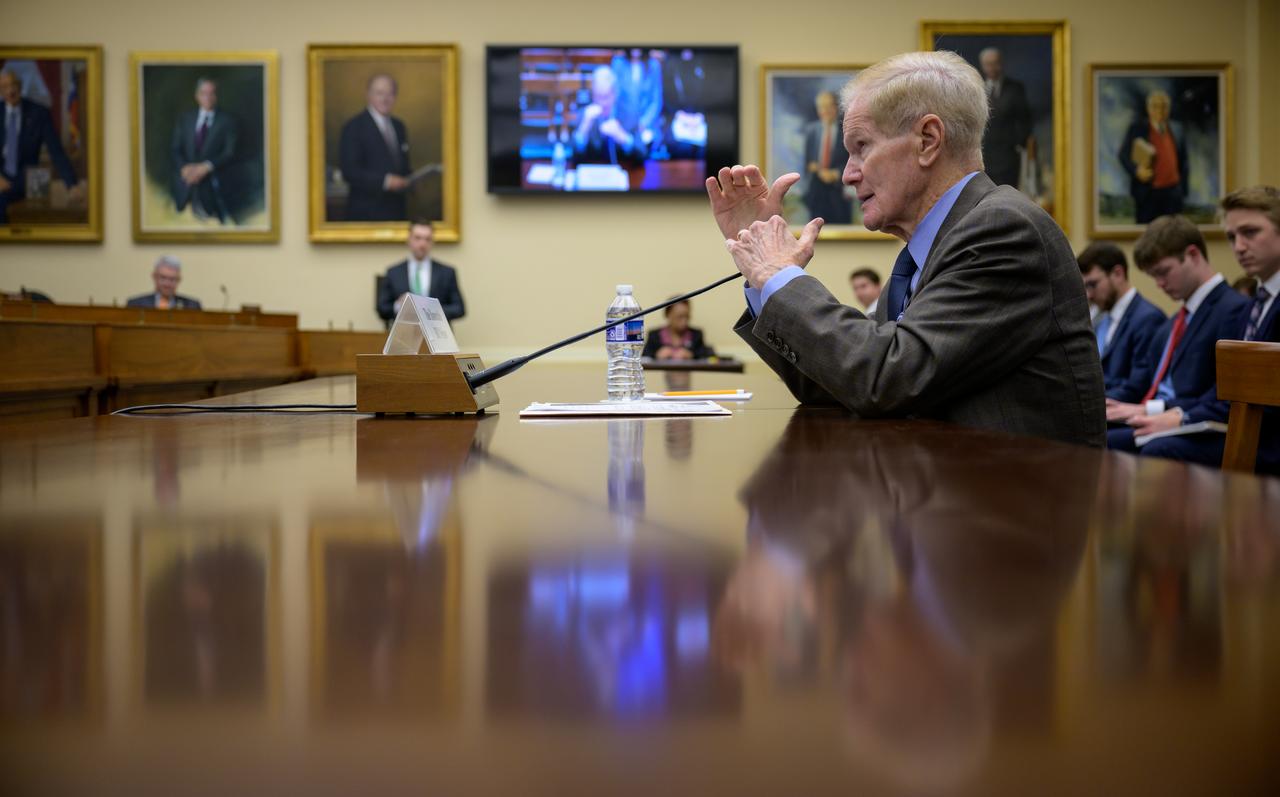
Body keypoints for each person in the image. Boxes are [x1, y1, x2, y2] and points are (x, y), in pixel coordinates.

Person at [706, 50, 1104, 447]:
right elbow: (833, 385)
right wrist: (760, 264)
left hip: (1014, 504)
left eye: (861, 146)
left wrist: (780, 277)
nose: (848, 174)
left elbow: (883, 378)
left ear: (928, 141)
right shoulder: (926, 251)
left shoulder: (1003, 231)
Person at [1130, 187, 1280, 472]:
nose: (1238, 247)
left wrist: (1182, 418)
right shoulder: (1257, 304)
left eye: (1250, 232)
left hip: (1266, 440)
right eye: (1232, 237)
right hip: (1241, 428)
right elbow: (1229, 388)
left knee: (1158, 448)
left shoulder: (1243, 306)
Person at [1104, 214, 1249, 452]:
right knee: (1092, 429)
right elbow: (1146, 383)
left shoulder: (1233, 310)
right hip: (1160, 414)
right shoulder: (1172, 324)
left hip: (1196, 423)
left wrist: (1151, 411)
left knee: (1107, 442)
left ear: (1193, 255)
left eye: (1163, 272)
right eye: (1154, 276)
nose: (1159, 284)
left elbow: (1220, 394)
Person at [1077, 242, 1167, 395]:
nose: (1089, 295)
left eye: (1092, 284)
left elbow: (1137, 388)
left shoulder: (1149, 319)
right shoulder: (1100, 318)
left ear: (1118, 274)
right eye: (1084, 287)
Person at [0, 68, 83, 224]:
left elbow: (56, 151)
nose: (10, 91)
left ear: (20, 86)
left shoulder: (39, 113)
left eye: (13, 85)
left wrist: (71, 184)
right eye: (4, 87)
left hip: (28, 178)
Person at [339, 74, 412, 221]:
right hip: (366, 213)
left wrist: (411, 180)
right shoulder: (354, 127)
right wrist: (385, 182)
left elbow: (402, 166)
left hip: (397, 212)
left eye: (389, 94)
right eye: (379, 93)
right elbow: (349, 172)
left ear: (395, 97)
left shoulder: (399, 126)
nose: (385, 99)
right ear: (368, 95)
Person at [170, 77, 239, 224]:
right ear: (197, 96)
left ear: (216, 96)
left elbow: (229, 153)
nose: (207, 97)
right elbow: (175, 149)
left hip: (214, 187)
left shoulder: (227, 121)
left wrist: (206, 167)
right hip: (185, 185)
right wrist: (184, 168)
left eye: (211, 93)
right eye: (203, 93)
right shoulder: (185, 118)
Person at [1119, 90, 1188, 224]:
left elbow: (1184, 162)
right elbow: (1123, 155)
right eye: (1155, 106)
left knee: (1173, 236)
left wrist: (1182, 192)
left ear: (1168, 109)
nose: (1160, 110)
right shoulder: (1137, 128)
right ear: (1148, 108)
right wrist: (1136, 171)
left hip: (1173, 195)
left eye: (1164, 106)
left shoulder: (1177, 129)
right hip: (1148, 195)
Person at [376, 219, 465, 324]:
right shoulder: (393, 272)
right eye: (417, 238)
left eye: (427, 239)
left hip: (436, 334)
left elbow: (459, 309)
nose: (422, 244)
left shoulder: (446, 272)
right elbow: (382, 309)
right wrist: (399, 306)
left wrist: (430, 310)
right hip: (405, 335)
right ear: (409, 239)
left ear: (432, 242)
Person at [977, 48, 1033, 191]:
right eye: (988, 64)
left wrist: (1017, 144)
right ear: (983, 66)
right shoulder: (977, 89)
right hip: (983, 156)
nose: (992, 68)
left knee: (1007, 195)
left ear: (1001, 64)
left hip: (1008, 157)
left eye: (995, 63)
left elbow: (1025, 120)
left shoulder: (1015, 89)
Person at [573, 67, 648, 168]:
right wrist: (583, 130)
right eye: (598, 97)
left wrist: (622, 137)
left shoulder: (629, 114)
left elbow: (642, 155)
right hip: (592, 176)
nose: (602, 103)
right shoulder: (585, 115)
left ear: (614, 94)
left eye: (606, 97)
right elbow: (574, 158)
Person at [801, 91, 853, 224]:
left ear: (836, 108)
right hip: (817, 193)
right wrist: (813, 167)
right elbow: (807, 163)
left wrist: (836, 174)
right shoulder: (812, 131)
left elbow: (854, 160)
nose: (824, 111)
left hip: (839, 193)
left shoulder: (847, 130)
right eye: (821, 107)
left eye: (828, 106)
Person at [642, 299, 716, 360]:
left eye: (687, 316)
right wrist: (656, 355)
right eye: (679, 317)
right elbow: (644, 358)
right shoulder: (654, 335)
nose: (684, 321)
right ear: (668, 315)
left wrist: (692, 355)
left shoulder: (696, 335)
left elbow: (710, 357)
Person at [126, 255, 202, 310]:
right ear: (154, 277)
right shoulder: (135, 304)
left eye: (172, 279)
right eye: (163, 278)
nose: (167, 284)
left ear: (179, 280)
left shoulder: (192, 306)